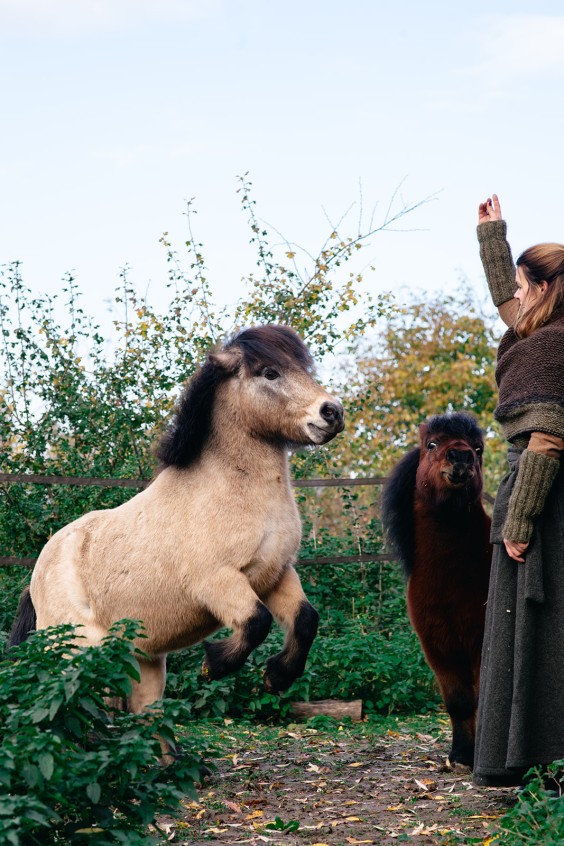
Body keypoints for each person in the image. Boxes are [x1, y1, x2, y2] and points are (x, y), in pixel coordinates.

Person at [473, 194, 564, 786]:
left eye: (527, 285)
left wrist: (519, 521)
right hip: (545, 495)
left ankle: (543, 760)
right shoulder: (547, 330)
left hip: (547, 500)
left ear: (545, 289)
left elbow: (547, 441)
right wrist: (493, 240)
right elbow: (510, 307)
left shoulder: (551, 346)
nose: (518, 295)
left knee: (544, 626)